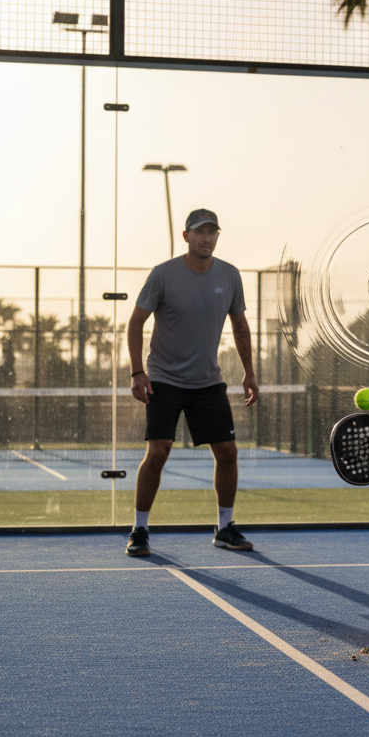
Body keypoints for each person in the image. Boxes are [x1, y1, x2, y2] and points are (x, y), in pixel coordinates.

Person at [125, 208, 259, 557]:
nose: (207, 238)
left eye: (212, 232)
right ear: (186, 236)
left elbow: (241, 327)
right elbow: (136, 323)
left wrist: (249, 373)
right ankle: (139, 529)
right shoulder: (163, 275)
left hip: (207, 381)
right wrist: (137, 372)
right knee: (158, 451)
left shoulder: (229, 275)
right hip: (164, 379)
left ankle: (224, 528)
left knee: (228, 452)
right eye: (200, 232)